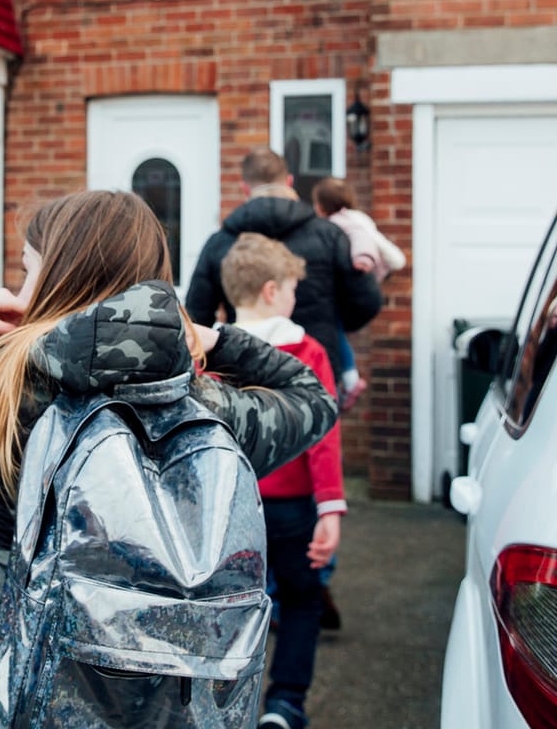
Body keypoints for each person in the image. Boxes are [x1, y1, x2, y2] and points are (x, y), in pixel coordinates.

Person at [0, 189, 340, 728]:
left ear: (54, 278)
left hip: (4, 703)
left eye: (28, 269)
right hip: (168, 707)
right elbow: (312, 398)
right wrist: (211, 338)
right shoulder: (207, 411)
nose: (21, 286)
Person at [221, 232, 345, 729]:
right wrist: (330, 507)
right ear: (272, 291)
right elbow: (323, 435)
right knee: (301, 601)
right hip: (292, 506)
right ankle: (284, 704)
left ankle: (224, 704)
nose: (296, 298)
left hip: (231, 505)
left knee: (228, 606)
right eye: (293, 289)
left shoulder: (212, 352)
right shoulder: (307, 351)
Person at [185, 147, 383, 402]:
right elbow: (366, 302)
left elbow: (197, 314)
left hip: (245, 370)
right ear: (289, 182)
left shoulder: (220, 242)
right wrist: (331, 325)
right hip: (317, 366)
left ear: (245, 188)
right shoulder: (329, 235)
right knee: (319, 425)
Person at [311, 176, 406, 409]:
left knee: (336, 330)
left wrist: (362, 258)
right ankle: (349, 378)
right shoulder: (353, 217)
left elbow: (360, 239)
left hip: (360, 278)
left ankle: (351, 380)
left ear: (322, 205)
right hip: (360, 284)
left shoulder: (343, 221)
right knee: (338, 331)